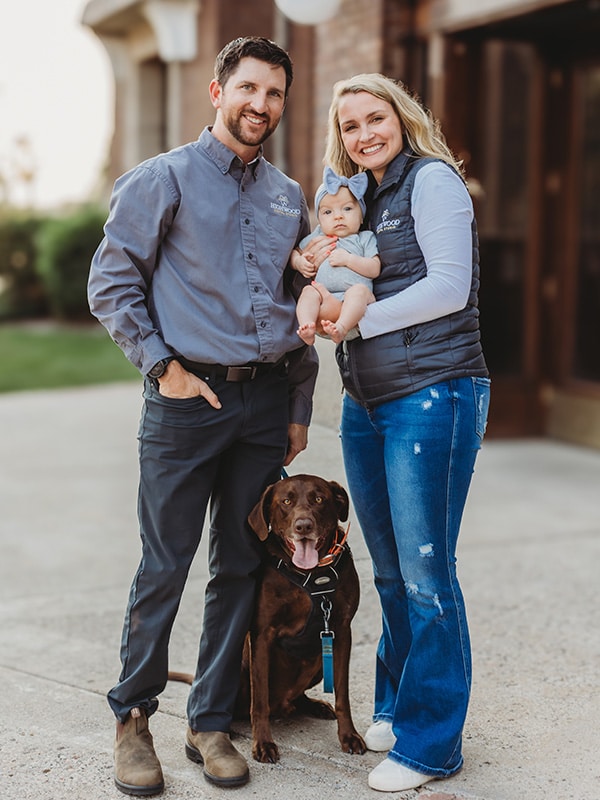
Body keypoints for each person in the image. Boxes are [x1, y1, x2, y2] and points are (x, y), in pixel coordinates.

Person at [87, 37, 318, 796]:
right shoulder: (165, 179)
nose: (262, 105)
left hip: (263, 404)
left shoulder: (289, 195)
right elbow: (111, 282)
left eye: (275, 94)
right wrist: (163, 367)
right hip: (188, 403)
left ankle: (210, 721)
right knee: (164, 566)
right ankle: (132, 720)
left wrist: (297, 404)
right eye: (249, 89)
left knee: (242, 566)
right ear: (217, 93)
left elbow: (304, 307)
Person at [301, 73, 491, 793]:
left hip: (432, 395)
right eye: (349, 126)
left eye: (374, 117)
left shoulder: (433, 181)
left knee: (426, 574)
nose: (363, 134)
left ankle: (432, 745)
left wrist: (350, 321)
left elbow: (448, 286)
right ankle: (397, 706)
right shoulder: (361, 199)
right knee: (387, 572)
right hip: (368, 400)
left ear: (401, 117)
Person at [291, 166, 380, 346]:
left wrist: (349, 260)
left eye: (347, 209)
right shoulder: (318, 236)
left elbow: (374, 268)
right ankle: (306, 326)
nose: (338, 217)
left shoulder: (364, 238)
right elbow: (295, 253)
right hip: (325, 296)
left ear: (361, 216)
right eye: (328, 212)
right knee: (309, 291)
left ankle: (341, 327)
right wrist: (299, 262)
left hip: (355, 299)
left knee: (359, 291)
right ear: (320, 220)